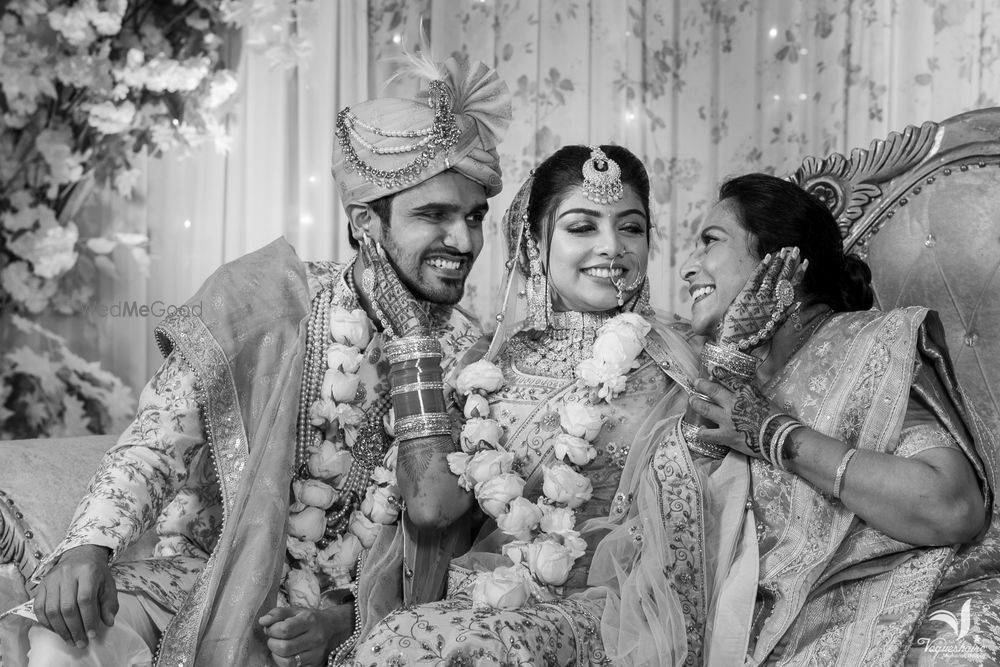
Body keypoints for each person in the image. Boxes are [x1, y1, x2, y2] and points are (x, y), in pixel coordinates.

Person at [0, 55, 511, 667]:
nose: (464, 241)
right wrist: (88, 545)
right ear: (365, 221)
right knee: (61, 641)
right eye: (434, 215)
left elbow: (443, 541)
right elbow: (156, 443)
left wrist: (341, 616)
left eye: (475, 216)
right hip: (198, 582)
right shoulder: (266, 301)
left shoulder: (475, 363)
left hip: (341, 626)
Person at [598, 171, 993, 665]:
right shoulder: (716, 372)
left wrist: (776, 435)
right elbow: (671, 543)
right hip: (759, 630)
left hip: (883, 605)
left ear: (780, 262)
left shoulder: (865, 345)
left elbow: (952, 508)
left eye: (710, 242)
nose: (689, 267)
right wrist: (730, 362)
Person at [345, 144, 713, 666]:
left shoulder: (684, 363)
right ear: (535, 244)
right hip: (475, 606)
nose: (612, 247)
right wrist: (412, 337)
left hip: (619, 620)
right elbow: (431, 510)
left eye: (630, 227)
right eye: (583, 227)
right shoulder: (484, 364)